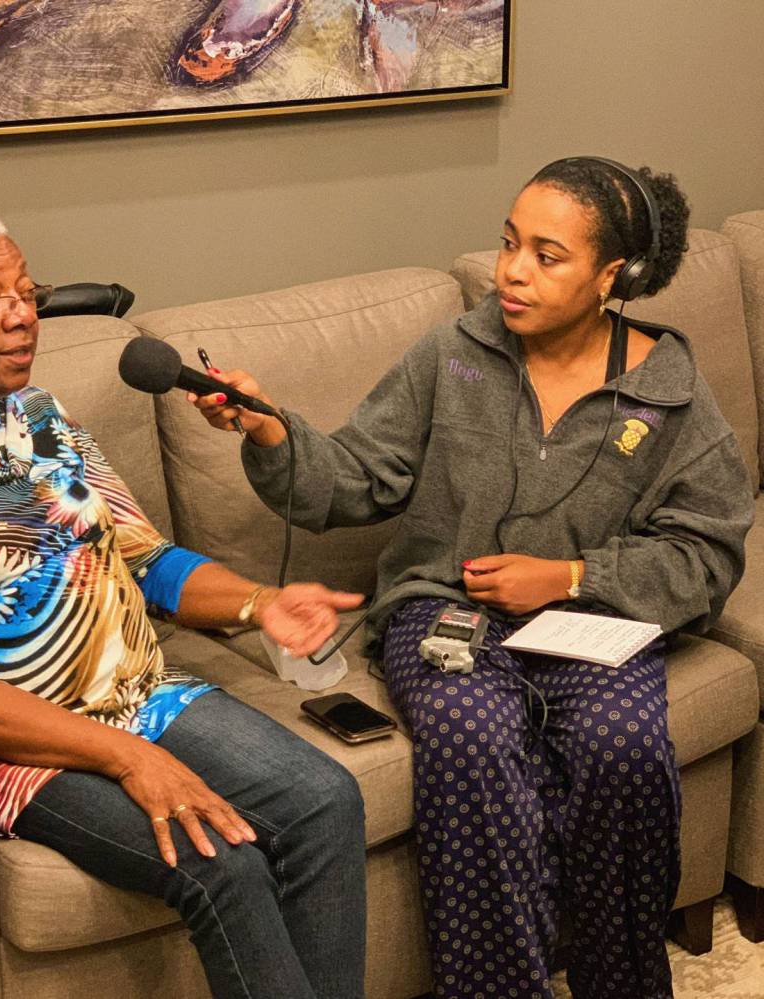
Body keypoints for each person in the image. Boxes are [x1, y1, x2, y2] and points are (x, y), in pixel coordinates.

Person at [191, 158, 755, 998]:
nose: (513, 271)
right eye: (508, 243)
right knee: (472, 740)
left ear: (614, 276)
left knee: (625, 746)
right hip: (442, 612)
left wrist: (568, 573)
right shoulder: (455, 354)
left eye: (547, 254)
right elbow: (357, 475)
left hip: (594, 620)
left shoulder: (668, 395)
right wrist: (274, 434)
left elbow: (706, 553)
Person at [0, 203, 368, 999]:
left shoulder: (37, 416)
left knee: (325, 799)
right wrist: (134, 759)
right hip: (16, 747)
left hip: (143, 693)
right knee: (224, 865)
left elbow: (142, 556)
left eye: (28, 292)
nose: (21, 318)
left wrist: (259, 602)